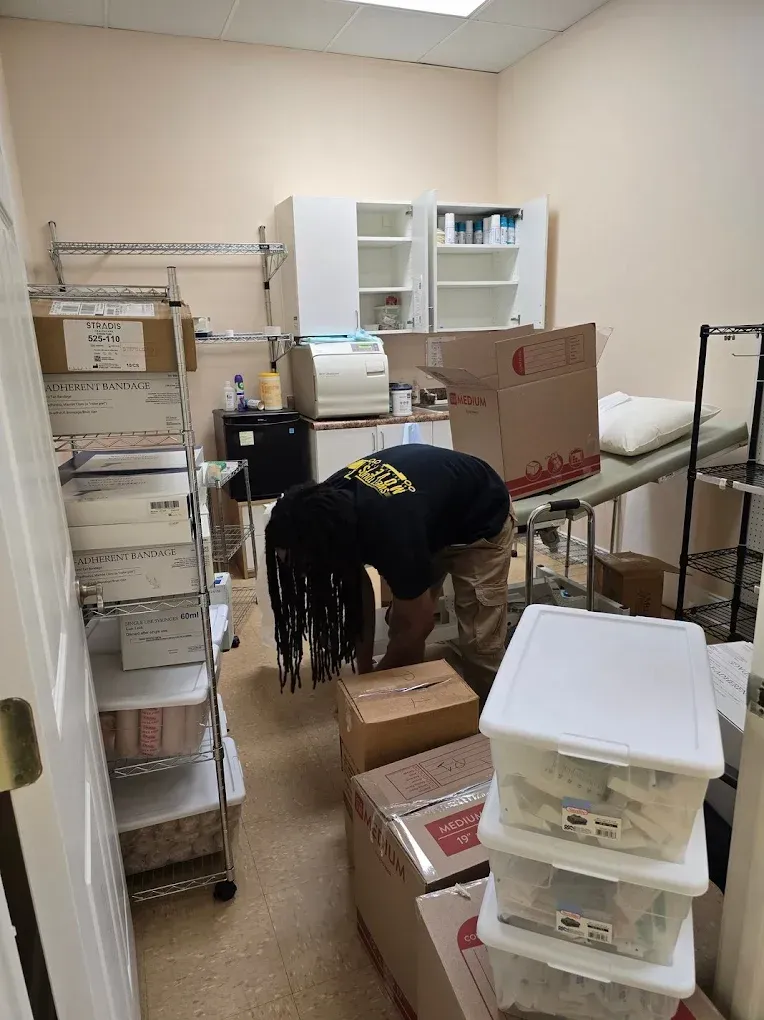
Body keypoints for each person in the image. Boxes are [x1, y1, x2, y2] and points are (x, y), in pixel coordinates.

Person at [265, 444, 515, 698]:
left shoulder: (391, 533)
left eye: (304, 566)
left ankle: (493, 723)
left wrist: (371, 692)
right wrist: (365, 672)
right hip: (430, 515)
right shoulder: (327, 507)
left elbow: (419, 625)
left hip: (481, 519)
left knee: (479, 642)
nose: (301, 575)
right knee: (400, 623)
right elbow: (356, 597)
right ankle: (407, 708)